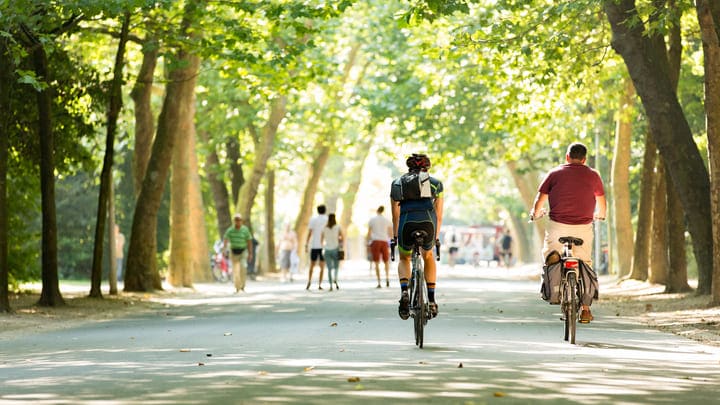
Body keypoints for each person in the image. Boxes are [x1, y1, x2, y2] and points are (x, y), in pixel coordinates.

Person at [530, 142, 606, 323]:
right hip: (583, 228)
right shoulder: (593, 175)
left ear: (567, 157)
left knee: (550, 254)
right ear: (584, 159)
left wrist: (535, 213)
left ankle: (554, 276)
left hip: (558, 226)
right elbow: (601, 201)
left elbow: (540, 199)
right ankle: (586, 308)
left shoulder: (555, 173)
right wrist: (601, 215)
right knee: (585, 262)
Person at [390, 153, 444, 320]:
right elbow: (439, 214)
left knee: (404, 258)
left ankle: (405, 291)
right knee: (428, 257)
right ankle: (432, 300)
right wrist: (435, 237)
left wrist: (395, 235)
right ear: (427, 167)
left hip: (406, 223)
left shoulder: (397, 183)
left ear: (409, 167)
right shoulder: (435, 184)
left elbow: (395, 215)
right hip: (428, 223)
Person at [223, 213, 254, 293]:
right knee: (235, 270)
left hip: (243, 251)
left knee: (243, 267)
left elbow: (249, 241)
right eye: (236, 220)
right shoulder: (230, 230)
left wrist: (250, 253)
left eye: (239, 220)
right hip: (234, 252)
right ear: (234, 221)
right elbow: (225, 239)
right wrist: (224, 249)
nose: (238, 222)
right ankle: (237, 287)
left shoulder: (245, 230)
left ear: (241, 221)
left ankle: (243, 286)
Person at [367, 205, 392, 288]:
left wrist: (368, 242)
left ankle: (379, 282)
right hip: (384, 241)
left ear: (377, 211)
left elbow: (369, 233)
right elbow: (390, 232)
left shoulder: (372, 220)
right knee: (386, 261)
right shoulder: (387, 220)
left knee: (376, 262)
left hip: (375, 241)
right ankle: (387, 278)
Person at [305, 204, 328, 290]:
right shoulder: (327, 219)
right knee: (322, 266)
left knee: (312, 265)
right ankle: (320, 284)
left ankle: (309, 281)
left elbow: (310, 232)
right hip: (324, 246)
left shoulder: (313, 219)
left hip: (314, 245)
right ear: (325, 210)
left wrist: (306, 244)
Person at [321, 213, 344, 291]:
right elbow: (342, 237)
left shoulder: (324, 228)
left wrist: (324, 246)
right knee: (336, 267)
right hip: (335, 249)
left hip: (327, 250)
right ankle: (335, 279)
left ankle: (330, 285)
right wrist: (340, 243)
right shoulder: (338, 227)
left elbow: (321, 240)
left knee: (329, 268)